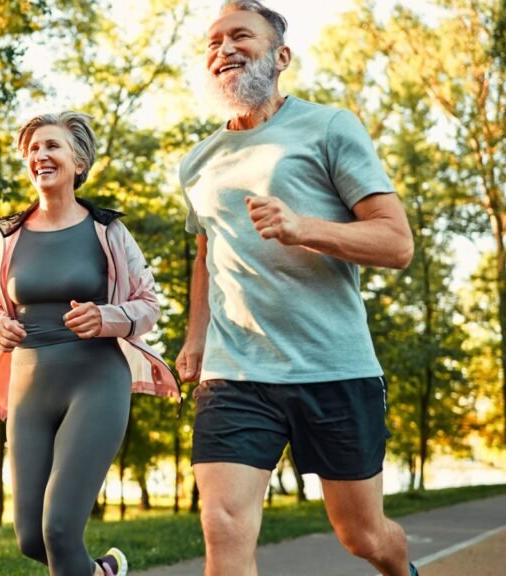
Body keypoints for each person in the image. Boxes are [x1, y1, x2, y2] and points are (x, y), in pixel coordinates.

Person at [175, 2, 419, 575]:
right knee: (223, 525)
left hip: (331, 365)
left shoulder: (330, 126)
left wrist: (303, 228)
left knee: (363, 537)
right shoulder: (197, 162)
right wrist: (195, 337)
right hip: (234, 371)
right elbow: (207, 250)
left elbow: (397, 243)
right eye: (213, 41)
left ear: (281, 56)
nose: (224, 48)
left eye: (241, 36)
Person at [0, 111, 179, 576]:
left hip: (95, 381)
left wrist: (107, 317)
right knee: (30, 537)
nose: (40, 155)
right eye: (34, 148)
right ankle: (102, 573)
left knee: (59, 530)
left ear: (78, 162)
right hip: (28, 387)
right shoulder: (7, 236)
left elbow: (148, 304)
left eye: (52, 146)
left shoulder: (108, 231)